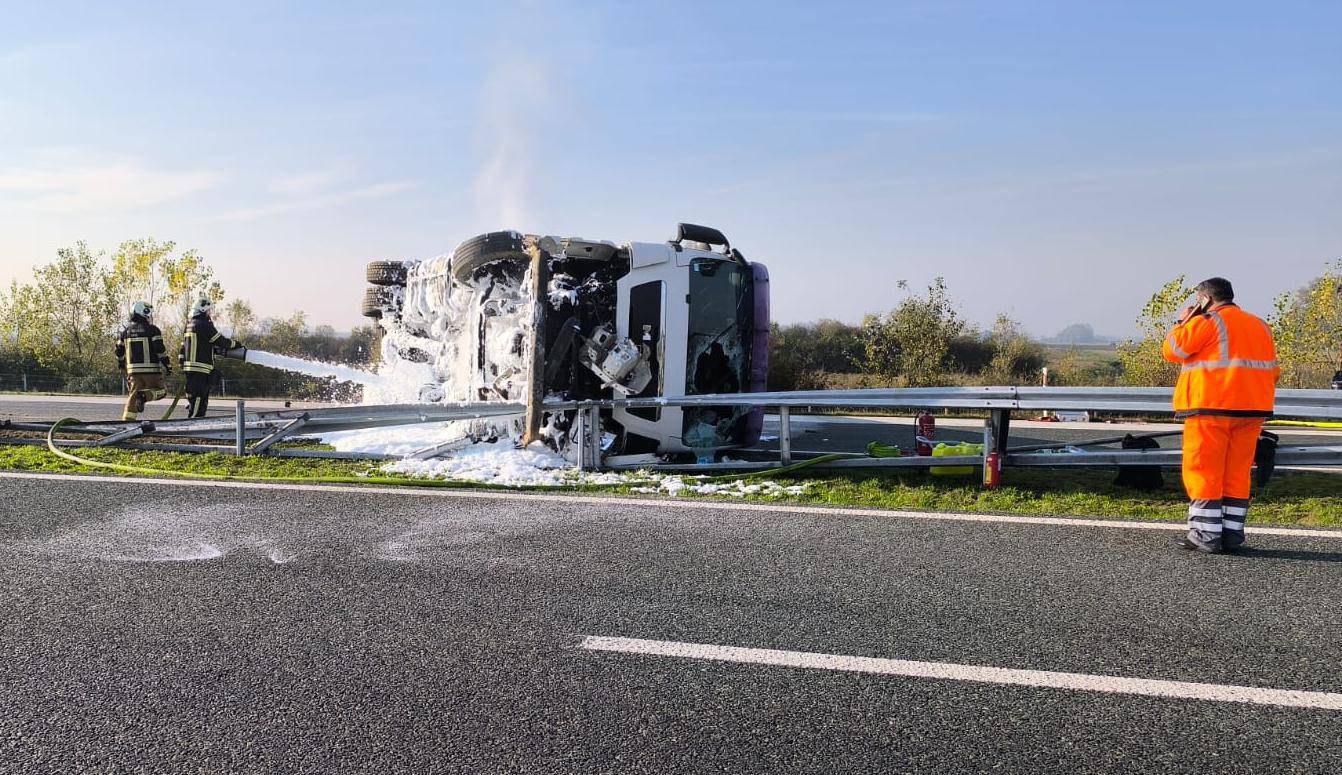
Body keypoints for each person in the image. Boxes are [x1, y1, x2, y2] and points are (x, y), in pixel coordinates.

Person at [1162, 277, 1279, 554]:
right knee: (1237, 473)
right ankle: (1231, 534)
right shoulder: (1260, 325)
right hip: (1252, 409)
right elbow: (1273, 370)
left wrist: (1184, 320)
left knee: (1203, 469)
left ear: (1205, 299)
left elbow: (1173, 350)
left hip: (1211, 408)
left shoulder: (1206, 322)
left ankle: (1205, 535)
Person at [179, 297, 243, 419]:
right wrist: (236, 345)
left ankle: (195, 425)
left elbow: (184, 347)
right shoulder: (204, 325)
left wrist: (182, 363)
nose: (210, 313)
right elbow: (220, 341)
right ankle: (192, 426)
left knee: (196, 401)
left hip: (190, 371)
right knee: (198, 402)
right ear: (203, 310)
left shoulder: (189, 325)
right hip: (200, 371)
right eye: (209, 310)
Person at [115, 301, 171, 421]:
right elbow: (160, 349)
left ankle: (126, 422)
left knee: (133, 397)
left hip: (133, 372)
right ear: (145, 313)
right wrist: (167, 365)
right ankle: (145, 396)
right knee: (161, 391)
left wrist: (121, 364)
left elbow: (119, 351)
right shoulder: (153, 330)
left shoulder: (125, 332)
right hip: (152, 371)